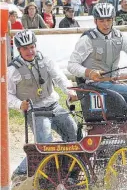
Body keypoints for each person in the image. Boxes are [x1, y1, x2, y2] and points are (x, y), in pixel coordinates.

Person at [9, 30, 78, 178]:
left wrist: (70, 91)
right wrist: (19, 104)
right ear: (19, 50)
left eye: (32, 46)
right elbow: (6, 95)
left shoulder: (46, 60)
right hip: (36, 112)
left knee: (75, 134)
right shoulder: (12, 69)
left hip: (54, 106)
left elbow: (60, 78)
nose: (30, 51)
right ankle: (20, 173)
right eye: (25, 48)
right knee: (44, 144)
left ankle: (67, 171)